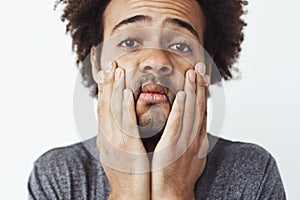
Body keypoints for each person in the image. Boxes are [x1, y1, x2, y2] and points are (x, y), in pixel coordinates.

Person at [28, 0, 286, 199]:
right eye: (129, 41)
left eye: (180, 46)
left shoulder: (252, 171)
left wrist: (175, 191)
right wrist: (127, 190)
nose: (157, 61)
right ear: (97, 63)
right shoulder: (58, 175)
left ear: (206, 68)